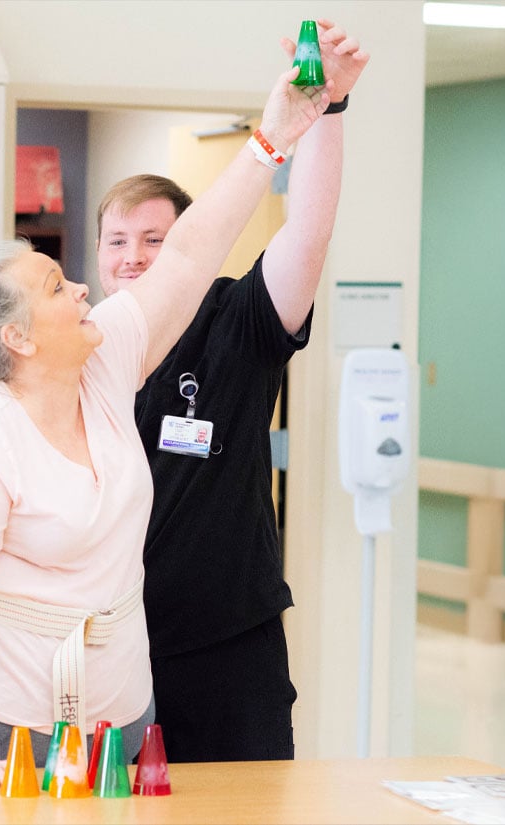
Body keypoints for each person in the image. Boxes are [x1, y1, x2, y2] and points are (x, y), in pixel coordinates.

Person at [0, 44, 332, 790]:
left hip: (68, 717)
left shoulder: (104, 364)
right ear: (19, 337)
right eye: (58, 287)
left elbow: (190, 255)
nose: (86, 288)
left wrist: (273, 137)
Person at [94, 20, 369, 763]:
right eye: (116, 241)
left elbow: (307, 233)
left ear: (192, 239)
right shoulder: (85, 344)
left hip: (224, 645)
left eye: (155, 239)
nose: (132, 258)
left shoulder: (236, 321)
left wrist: (328, 111)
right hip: (107, 642)